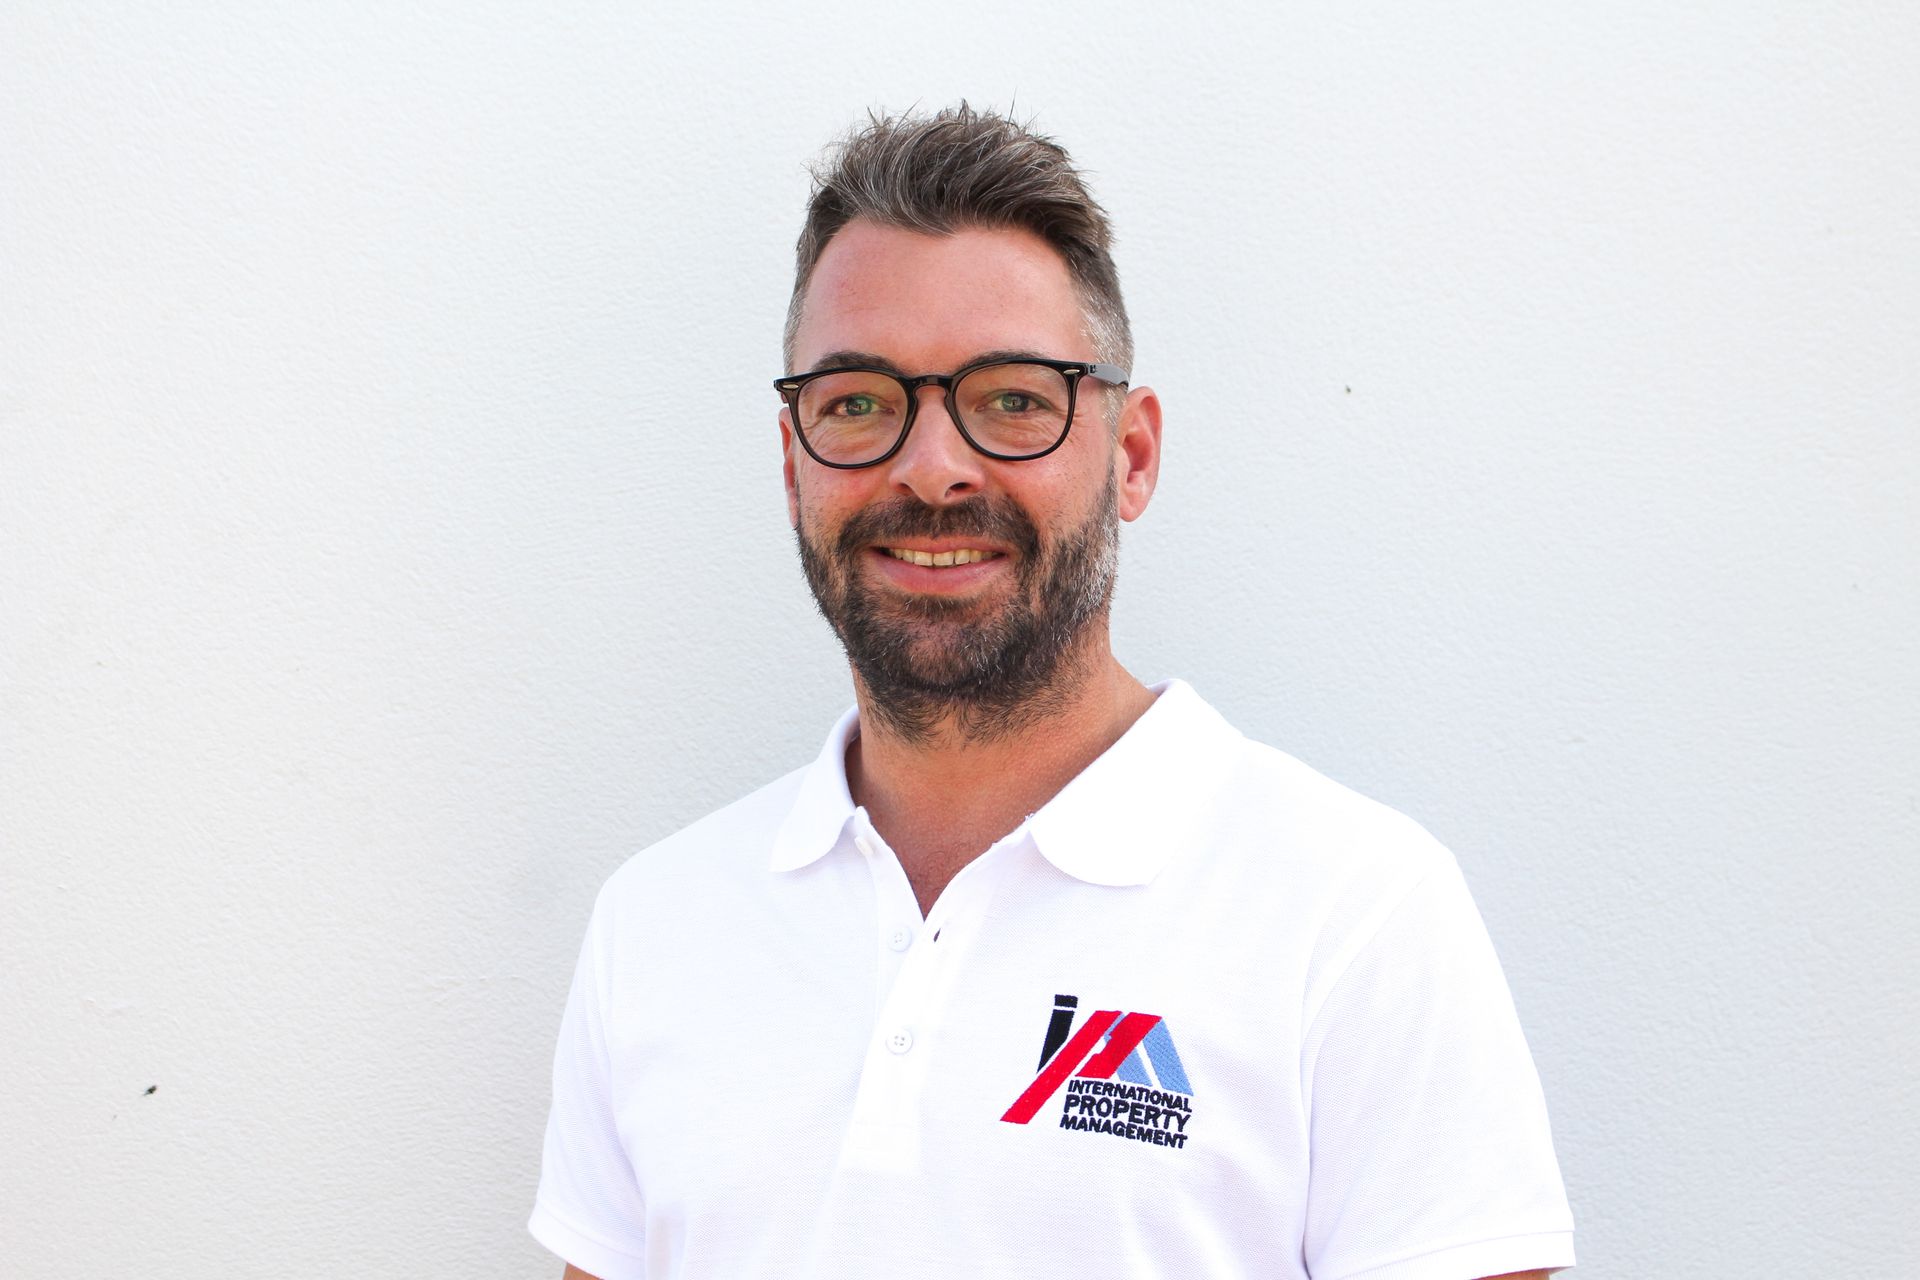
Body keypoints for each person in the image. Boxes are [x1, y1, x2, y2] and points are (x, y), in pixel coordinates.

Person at [530, 105, 1574, 1280]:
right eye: (859, 401)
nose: (932, 467)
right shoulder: (658, 921)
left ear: (1131, 455)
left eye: (1015, 397)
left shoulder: (1355, 915)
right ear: (791, 463)